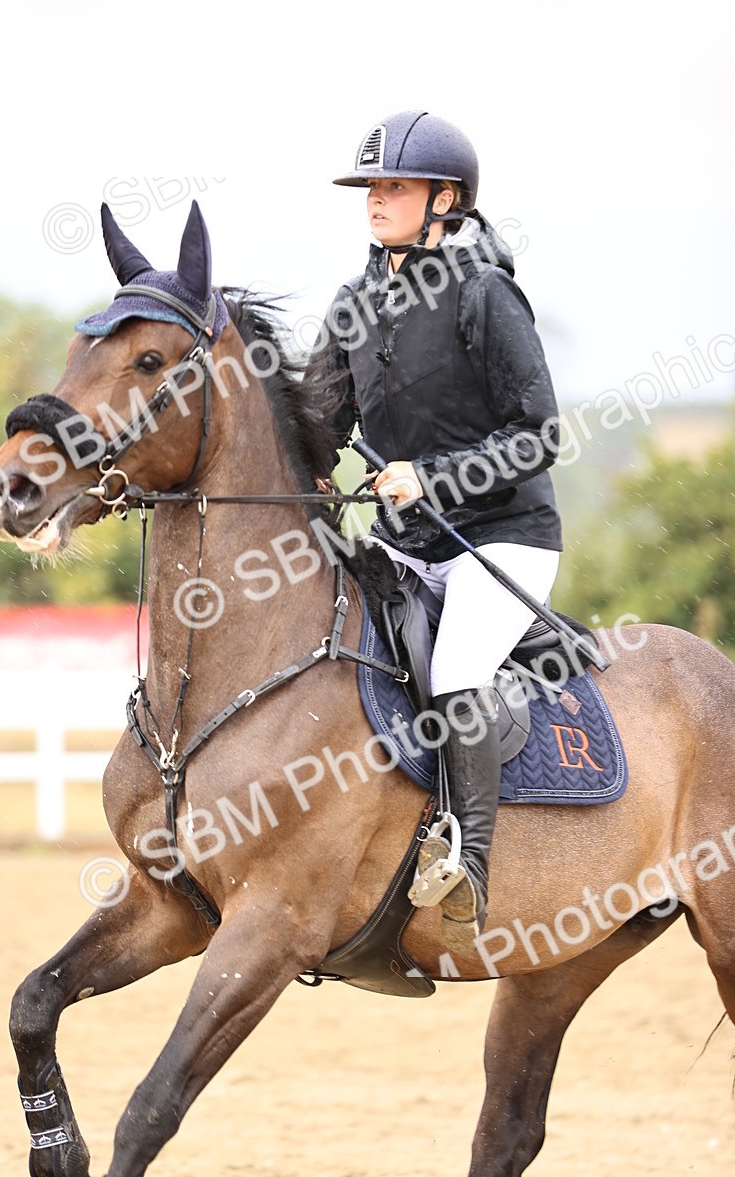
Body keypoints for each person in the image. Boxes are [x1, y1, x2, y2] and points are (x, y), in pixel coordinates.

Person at [309, 110, 563, 950]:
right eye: (372, 187)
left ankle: (470, 864)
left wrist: (432, 476)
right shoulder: (353, 302)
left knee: (456, 666)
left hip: (500, 538)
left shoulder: (484, 292)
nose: (376, 200)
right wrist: (305, 468)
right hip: (406, 542)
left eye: (395, 186)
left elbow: (539, 436)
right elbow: (322, 420)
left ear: (444, 199)